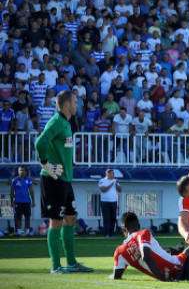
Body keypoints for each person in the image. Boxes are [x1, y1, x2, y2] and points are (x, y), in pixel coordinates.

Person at [35, 90, 94, 274]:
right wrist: (45, 164)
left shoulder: (66, 124)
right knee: (56, 222)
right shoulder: (56, 121)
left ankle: (71, 263)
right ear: (67, 104)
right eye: (75, 102)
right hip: (53, 180)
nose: (78, 105)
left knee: (71, 219)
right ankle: (55, 266)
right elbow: (40, 142)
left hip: (65, 180)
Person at [110, 211, 189, 281]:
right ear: (139, 226)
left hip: (169, 271)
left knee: (177, 254)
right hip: (177, 267)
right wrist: (162, 279)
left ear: (123, 229)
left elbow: (116, 276)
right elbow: (146, 257)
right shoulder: (143, 233)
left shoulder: (119, 252)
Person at [9, 166, 36, 236]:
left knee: (27, 217)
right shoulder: (15, 180)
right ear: (18, 172)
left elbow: (31, 190)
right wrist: (11, 201)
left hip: (27, 201)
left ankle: (27, 233)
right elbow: (11, 191)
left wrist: (33, 201)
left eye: (23, 170)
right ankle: (19, 232)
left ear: (25, 172)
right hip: (18, 201)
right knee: (18, 217)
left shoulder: (28, 180)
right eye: (20, 170)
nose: (22, 172)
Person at [98, 168, 122, 237]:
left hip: (113, 202)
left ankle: (112, 233)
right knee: (106, 218)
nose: (113, 175)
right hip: (105, 202)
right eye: (112, 173)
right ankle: (107, 233)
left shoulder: (115, 181)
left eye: (113, 173)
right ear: (107, 174)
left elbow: (120, 190)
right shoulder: (102, 181)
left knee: (113, 218)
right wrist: (112, 184)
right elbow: (104, 190)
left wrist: (116, 184)